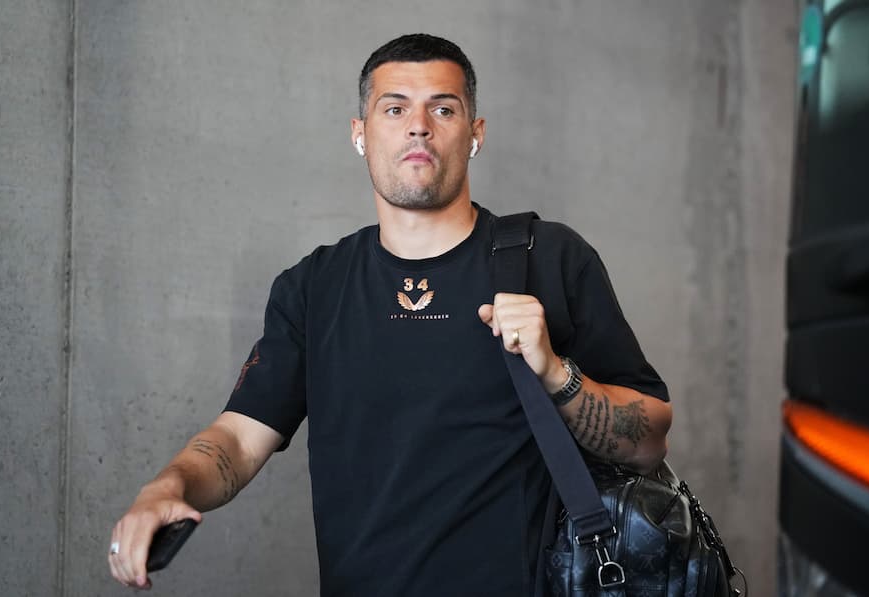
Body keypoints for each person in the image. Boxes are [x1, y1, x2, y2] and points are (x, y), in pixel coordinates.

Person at [108, 33, 672, 596]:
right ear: (360, 134)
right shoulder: (315, 287)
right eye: (395, 108)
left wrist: (556, 373)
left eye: (443, 109)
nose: (418, 126)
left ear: (475, 134)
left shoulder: (549, 259)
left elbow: (649, 441)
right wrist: (166, 488)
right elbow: (237, 438)